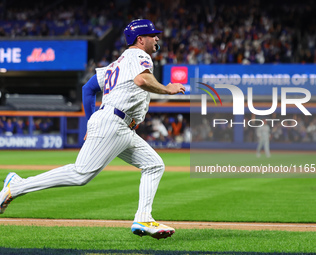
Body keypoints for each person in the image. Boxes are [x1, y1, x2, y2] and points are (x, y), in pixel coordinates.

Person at [0, 19, 185, 240]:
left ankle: (144, 217)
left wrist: (91, 121)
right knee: (80, 174)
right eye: (153, 35)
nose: (157, 38)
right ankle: (17, 186)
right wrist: (167, 89)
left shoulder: (117, 64)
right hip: (115, 122)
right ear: (140, 39)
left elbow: (88, 88)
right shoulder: (139, 55)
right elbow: (142, 79)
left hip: (121, 127)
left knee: (154, 165)